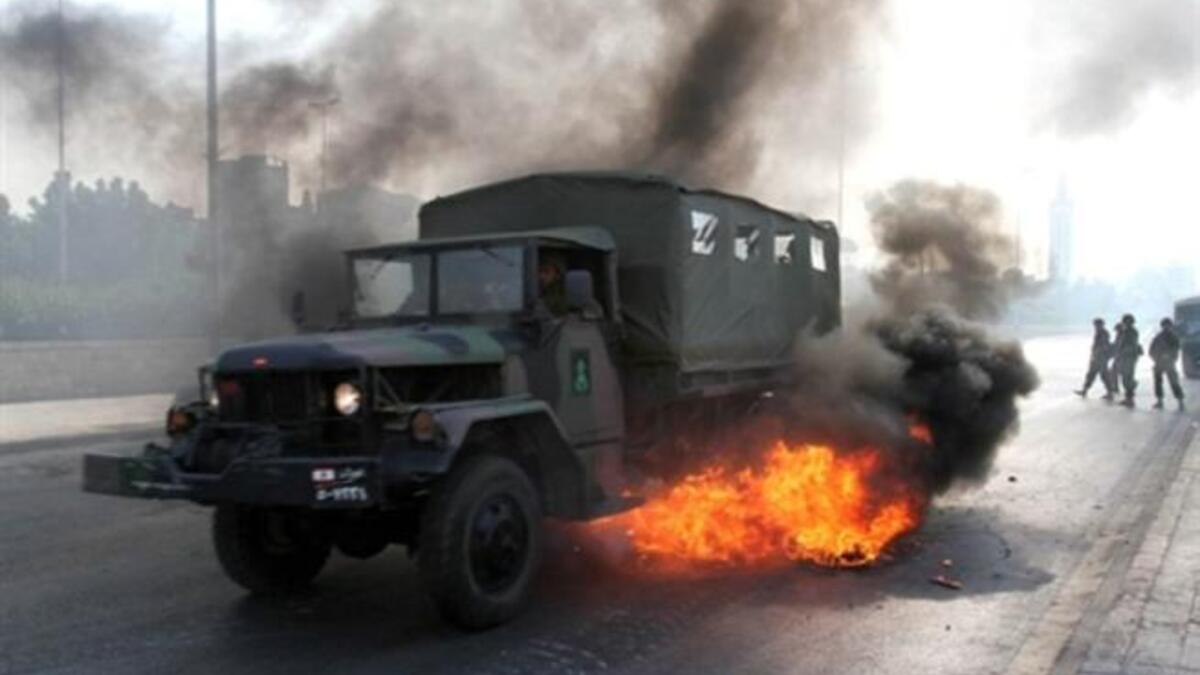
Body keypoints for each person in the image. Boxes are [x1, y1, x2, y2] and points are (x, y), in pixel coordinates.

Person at [1149, 317, 1186, 410]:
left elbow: (1176, 349)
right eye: (1165, 325)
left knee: (1174, 383)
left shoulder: (1173, 337)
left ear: (1170, 326)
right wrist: (1156, 358)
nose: (1166, 327)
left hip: (1169, 363)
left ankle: (1180, 401)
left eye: (1167, 325)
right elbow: (1151, 349)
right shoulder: (1158, 337)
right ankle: (1160, 401)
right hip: (1159, 363)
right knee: (1158, 383)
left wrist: (1169, 357)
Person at [1076, 318, 1116, 399]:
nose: (1095, 326)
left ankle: (1110, 393)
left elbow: (1104, 346)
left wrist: (1099, 355)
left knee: (1104, 376)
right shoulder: (1099, 333)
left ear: (1100, 325)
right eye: (1095, 325)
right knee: (1091, 375)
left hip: (1101, 358)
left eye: (1097, 325)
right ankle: (1084, 390)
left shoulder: (1103, 333)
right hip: (1097, 358)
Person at [1114, 314, 1143, 408]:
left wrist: (1122, 353)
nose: (1124, 323)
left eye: (1125, 321)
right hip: (1126, 357)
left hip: (1129, 357)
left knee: (1127, 379)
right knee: (1126, 378)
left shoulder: (1131, 332)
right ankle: (1129, 398)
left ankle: (1130, 399)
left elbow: (1131, 346)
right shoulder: (1127, 331)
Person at [537, 251, 569, 316]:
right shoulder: (528, 290)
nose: (541, 276)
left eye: (546, 272)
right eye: (539, 271)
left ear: (557, 275)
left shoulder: (564, 295)